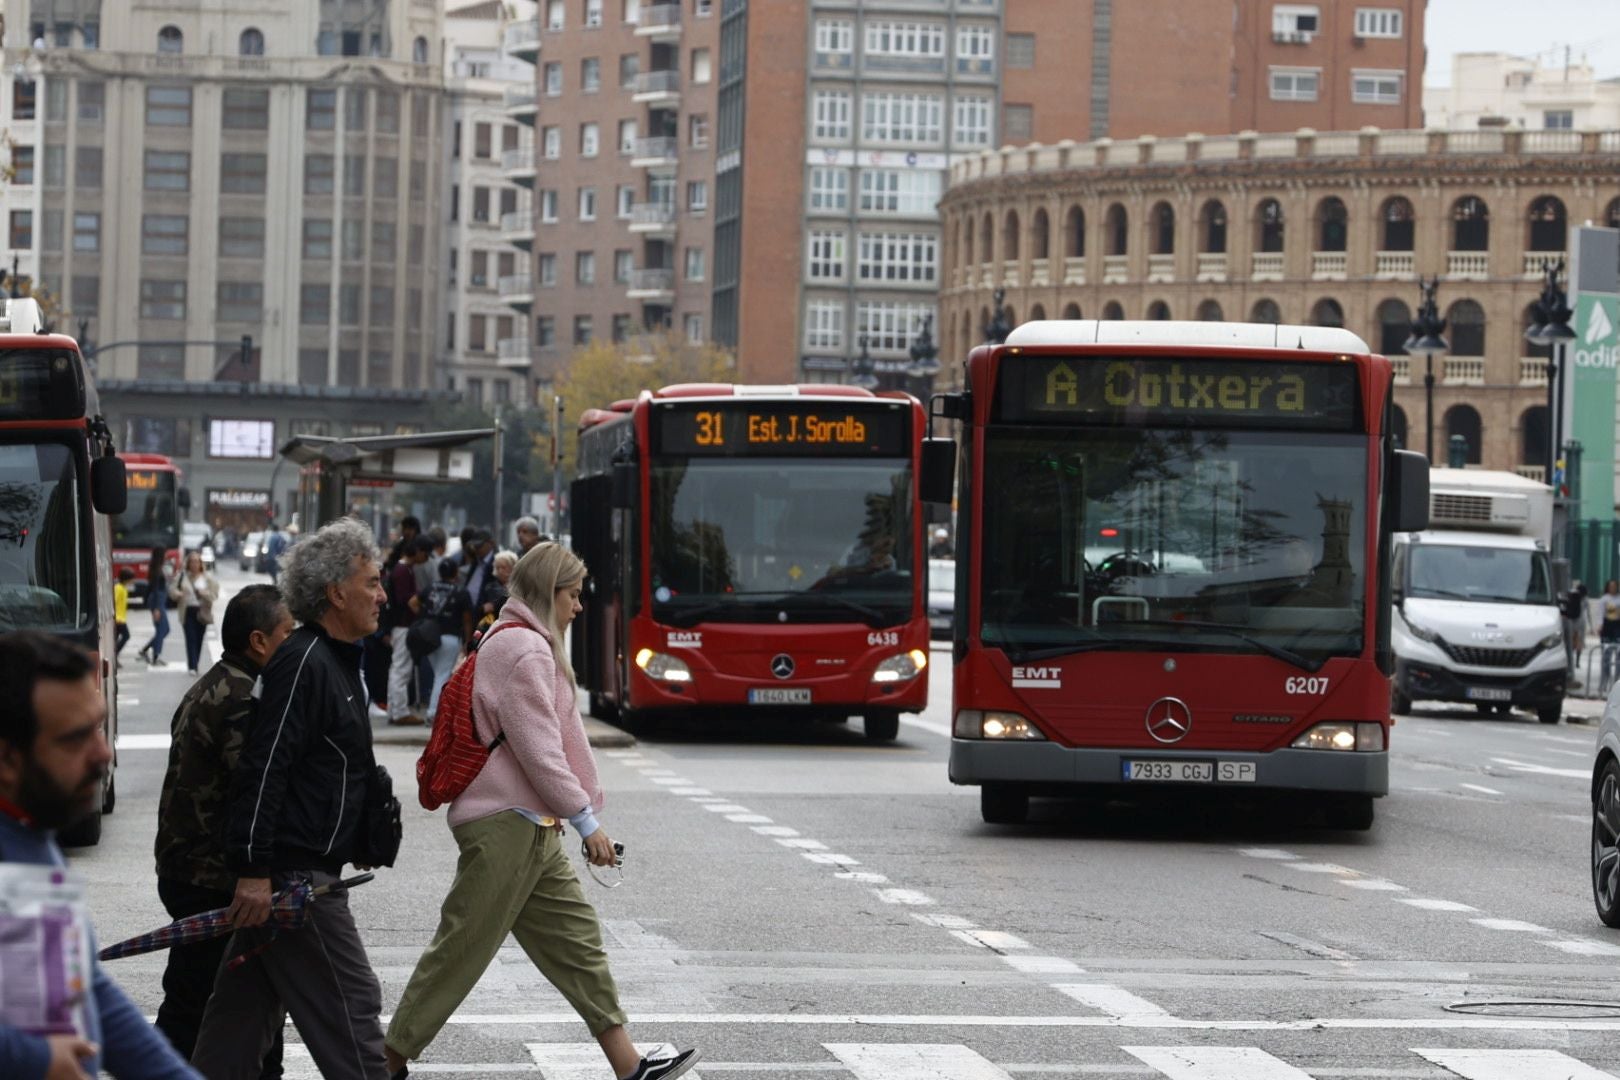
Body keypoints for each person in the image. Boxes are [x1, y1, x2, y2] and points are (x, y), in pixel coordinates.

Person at [382, 543, 699, 1080]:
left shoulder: (518, 640)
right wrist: (586, 820)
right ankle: (383, 1063)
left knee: (578, 943)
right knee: (460, 950)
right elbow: (539, 749)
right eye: (573, 595)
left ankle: (630, 1067)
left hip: (530, 825)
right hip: (504, 822)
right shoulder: (526, 650)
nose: (579, 607)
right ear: (548, 592)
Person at [190, 517, 392, 1080]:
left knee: (235, 1026)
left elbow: (324, 771)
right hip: (294, 883)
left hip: (290, 876)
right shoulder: (304, 663)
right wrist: (254, 871)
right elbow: (264, 768)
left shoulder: (335, 662)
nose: (382, 595)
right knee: (354, 1013)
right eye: (372, 582)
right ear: (336, 593)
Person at [0, 631, 203, 1079]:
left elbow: (82, 992)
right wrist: (33, 1059)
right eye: (75, 740)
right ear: (8, 758)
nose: (103, 753)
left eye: (98, 727)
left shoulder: (30, 834)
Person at [153, 586, 294, 1075]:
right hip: (209, 875)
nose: (292, 644)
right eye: (286, 634)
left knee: (215, 996)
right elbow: (254, 788)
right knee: (197, 1003)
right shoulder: (240, 697)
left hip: (188, 867)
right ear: (259, 641)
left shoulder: (221, 682)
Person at [387, 535, 434, 726]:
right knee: (401, 669)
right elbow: (409, 601)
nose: (427, 558)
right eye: (426, 554)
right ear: (420, 552)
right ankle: (399, 711)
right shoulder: (403, 571)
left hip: (400, 625)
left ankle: (395, 709)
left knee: (398, 668)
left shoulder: (402, 569)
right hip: (403, 625)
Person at [419, 558, 471, 723]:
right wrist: (467, 641)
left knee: (438, 674)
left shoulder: (430, 588)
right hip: (450, 638)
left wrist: (424, 617)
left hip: (428, 638)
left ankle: (436, 710)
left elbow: (413, 603)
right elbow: (467, 620)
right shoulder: (461, 592)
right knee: (442, 675)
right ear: (455, 573)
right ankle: (433, 713)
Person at [174, 550, 220, 677]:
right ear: (188, 563)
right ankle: (192, 666)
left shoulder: (207, 578)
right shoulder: (182, 576)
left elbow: (214, 595)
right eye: (192, 562)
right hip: (187, 611)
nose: (194, 564)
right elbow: (172, 590)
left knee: (199, 639)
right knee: (191, 638)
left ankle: (195, 663)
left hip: (202, 611)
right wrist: (179, 594)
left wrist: (203, 593)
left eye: (196, 562)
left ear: (201, 564)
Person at [138, 547, 173, 667]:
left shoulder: (156, 569)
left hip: (158, 601)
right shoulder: (157, 570)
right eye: (165, 554)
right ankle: (156, 655)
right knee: (162, 629)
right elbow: (156, 590)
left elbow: (150, 588)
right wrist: (157, 608)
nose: (166, 556)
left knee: (165, 629)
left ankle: (145, 650)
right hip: (158, 601)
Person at [470, 548, 516, 637]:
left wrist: (494, 606)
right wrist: (483, 608)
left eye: (503, 567)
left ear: (512, 568)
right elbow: (477, 609)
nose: (500, 571)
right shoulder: (489, 587)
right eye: (498, 568)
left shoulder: (518, 588)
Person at [1562, 578, 1590, 677]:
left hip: (1578, 622)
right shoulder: (1576, 598)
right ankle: (1573, 660)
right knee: (1574, 642)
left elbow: (1588, 612)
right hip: (1577, 621)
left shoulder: (1582, 599)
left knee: (1578, 642)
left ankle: (1576, 661)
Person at [1599, 579, 1620, 695]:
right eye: (1611, 586)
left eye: (1614, 586)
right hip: (1607, 627)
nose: (1613, 588)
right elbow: (1600, 613)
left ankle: (1616, 680)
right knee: (1606, 656)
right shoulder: (1604, 599)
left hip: (1617, 627)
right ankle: (1605, 680)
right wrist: (1600, 625)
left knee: (1618, 657)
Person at [114, 568, 134, 666]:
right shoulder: (119, 588)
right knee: (126, 636)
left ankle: (115, 657)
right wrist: (116, 617)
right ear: (126, 579)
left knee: (116, 639)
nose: (132, 581)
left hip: (121, 618)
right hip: (119, 619)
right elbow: (114, 602)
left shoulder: (123, 588)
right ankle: (115, 655)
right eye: (131, 579)